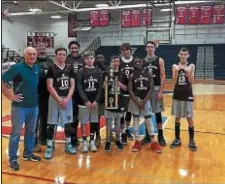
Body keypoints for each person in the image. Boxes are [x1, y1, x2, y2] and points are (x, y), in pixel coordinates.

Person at [2, 47, 42, 171]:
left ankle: (28, 153)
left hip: (34, 106)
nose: (32, 56)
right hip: (19, 107)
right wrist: (10, 96)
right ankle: (13, 158)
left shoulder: (36, 68)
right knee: (15, 134)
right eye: (29, 54)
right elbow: (3, 80)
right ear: (25, 56)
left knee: (31, 132)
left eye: (34, 54)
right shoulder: (17, 68)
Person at [45, 48, 76, 159]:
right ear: (56, 55)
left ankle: (68, 145)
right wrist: (59, 99)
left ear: (66, 56)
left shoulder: (70, 68)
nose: (62, 56)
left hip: (67, 98)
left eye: (63, 54)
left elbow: (72, 85)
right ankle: (49, 146)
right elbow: (49, 86)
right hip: (54, 98)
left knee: (68, 124)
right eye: (59, 54)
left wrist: (68, 98)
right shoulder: (51, 68)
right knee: (51, 124)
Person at [128, 58, 162, 153]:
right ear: (133, 64)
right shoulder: (132, 75)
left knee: (148, 119)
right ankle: (137, 140)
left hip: (145, 99)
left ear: (143, 63)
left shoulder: (149, 74)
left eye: (139, 62)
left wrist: (144, 100)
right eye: (135, 62)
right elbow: (130, 90)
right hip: (135, 100)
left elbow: (151, 89)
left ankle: (153, 141)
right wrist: (137, 100)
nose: (137, 63)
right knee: (135, 119)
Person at [170, 47, 197, 152]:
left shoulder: (191, 66)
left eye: (185, 54)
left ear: (188, 56)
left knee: (189, 118)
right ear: (179, 55)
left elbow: (192, 81)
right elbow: (173, 81)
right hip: (177, 94)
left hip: (187, 94)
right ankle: (177, 139)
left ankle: (191, 140)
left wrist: (187, 72)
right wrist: (176, 72)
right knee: (177, 117)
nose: (183, 56)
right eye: (182, 54)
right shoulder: (175, 66)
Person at [76, 51, 103, 153]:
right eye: (87, 58)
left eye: (91, 58)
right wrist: (85, 100)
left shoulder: (99, 72)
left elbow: (100, 88)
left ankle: (92, 140)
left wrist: (96, 100)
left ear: (94, 59)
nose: (89, 60)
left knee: (94, 121)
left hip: (95, 102)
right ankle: (84, 141)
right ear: (84, 60)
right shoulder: (80, 72)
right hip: (84, 102)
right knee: (83, 121)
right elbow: (79, 87)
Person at [143, 41, 167, 147]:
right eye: (148, 47)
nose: (150, 48)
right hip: (146, 90)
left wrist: (161, 91)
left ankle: (161, 136)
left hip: (156, 88)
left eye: (152, 47)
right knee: (146, 113)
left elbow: (163, 76)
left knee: (157, 113)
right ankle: (148, 136)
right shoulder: (143, 61)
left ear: (154, 48)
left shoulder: (159, 60)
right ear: (145, 48)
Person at [34, 42, 53, 152]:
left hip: (47, 95)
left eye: (44, 48)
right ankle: (34, 142)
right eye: (40, 48)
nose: (42, 50)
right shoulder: (33, 60)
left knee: (45, 118)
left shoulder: (50, 61)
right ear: (36, 50)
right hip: (35, 94)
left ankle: (43, 138)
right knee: (34, 120)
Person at [104, 55, 124, 152]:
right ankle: (108, 141)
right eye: (114, 61)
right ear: (111, 62)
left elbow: (126, 88)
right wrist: (108, 82)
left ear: (119, 62)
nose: (116, 63)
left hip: (119, 100)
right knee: (108, 122)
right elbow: (103, 87)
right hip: (109, 100)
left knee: (117, 122)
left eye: (117, 61)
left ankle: (118, 140)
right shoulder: (106, 73)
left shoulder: (122, 73)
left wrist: (118, 83)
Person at [66, 41, 84, 148]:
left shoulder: (83, 59)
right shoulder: (66, 59)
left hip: (80, 91)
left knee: (79, 115)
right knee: (70, 115)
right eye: (72, 48)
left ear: (78, 48)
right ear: (69, 49)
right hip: (68, 91)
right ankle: (71, 136)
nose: (74, 50)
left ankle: (78, 136)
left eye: (75, 48)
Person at [119, 42, 136, 144]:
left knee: (129, 111)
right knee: (121, 112)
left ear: (130, 50)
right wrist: (121, 85)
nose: (125, 52)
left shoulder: (134, 61)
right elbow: (114, 75)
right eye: (123, 50)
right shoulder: (119, 61)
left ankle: (126, 129)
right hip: (121, 89)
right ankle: (122, 132)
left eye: (127, 50)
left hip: (132, 90)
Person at [94, 52, 109, 147]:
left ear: (104, 59)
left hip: (107, 98)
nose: (100, 60)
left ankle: (109, 135)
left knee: (109, 118)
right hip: (97, 99)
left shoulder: (107, 69)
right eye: (98, 58)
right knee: (97, 119)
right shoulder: (93, 70)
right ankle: (97, 136)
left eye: (101, 58)